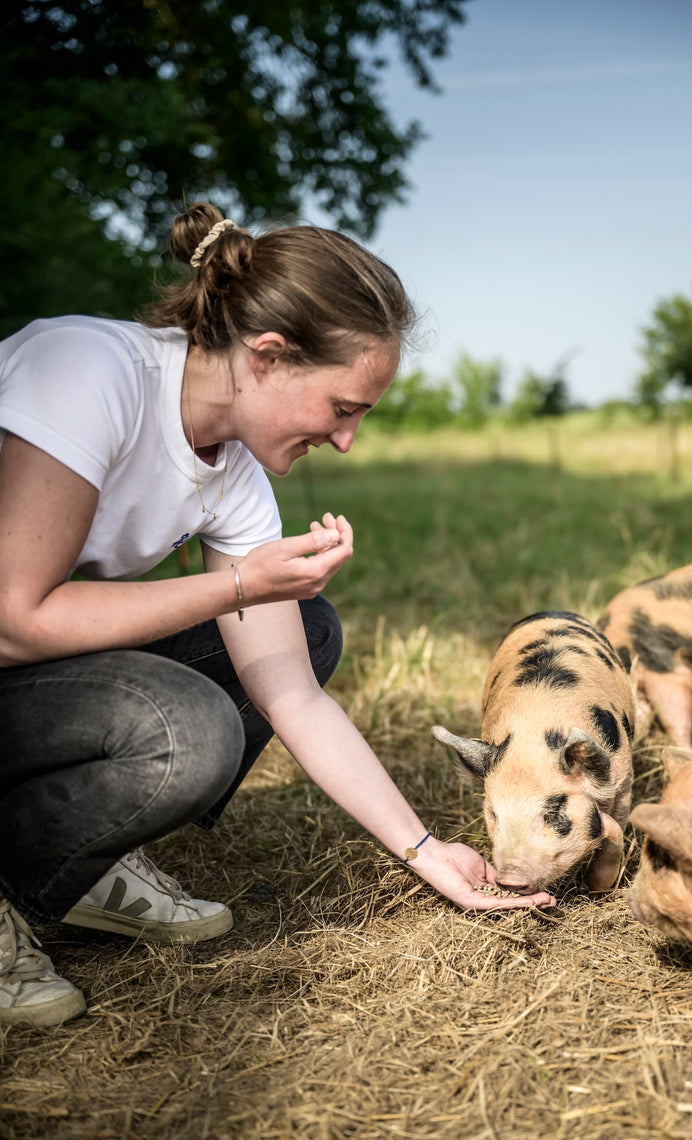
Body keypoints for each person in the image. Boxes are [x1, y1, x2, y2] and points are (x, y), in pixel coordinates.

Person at [0, 202, 556, 1028]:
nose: (347, 441)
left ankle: (76, 864)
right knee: (185, 726)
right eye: (343, 407)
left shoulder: (232, 474)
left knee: (310, 628)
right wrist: (236, 587)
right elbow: (17, 618)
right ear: (268, 357)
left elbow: (292, 696)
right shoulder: (85, 372)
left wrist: (426, 852)